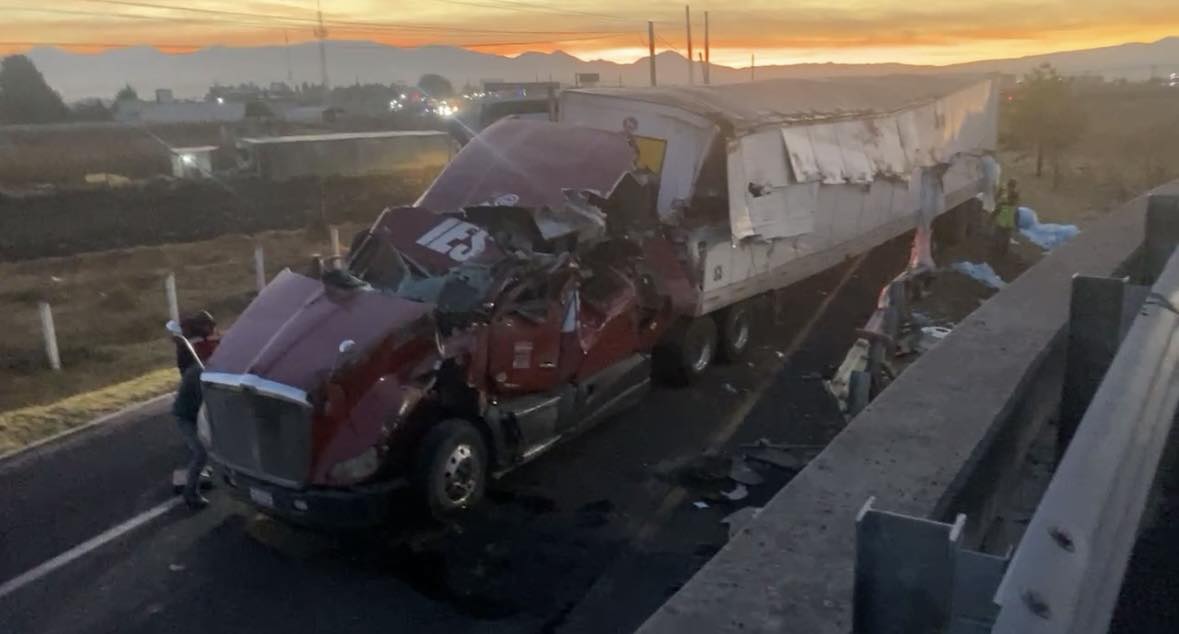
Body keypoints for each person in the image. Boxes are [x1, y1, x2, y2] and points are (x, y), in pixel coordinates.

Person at [173, 362, 208, 509]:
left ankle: (202, 476)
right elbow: (209, 403)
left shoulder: (199, 369)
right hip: (187, 418)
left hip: (192, 415)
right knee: (201, 453)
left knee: (207, 447)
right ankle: (190, 493)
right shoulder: (201, 374)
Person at [994, 178, 1019, 256]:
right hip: (1008, 220)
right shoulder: (1013, 195)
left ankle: (999, 251)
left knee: (1000, 235)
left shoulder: (1008, 196)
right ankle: (1002, 252)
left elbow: (998, 202)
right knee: (1004, 237)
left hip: (1004, 218)